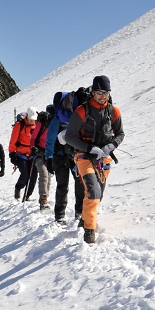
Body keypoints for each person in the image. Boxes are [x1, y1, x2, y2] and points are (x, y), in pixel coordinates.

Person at [61, 75, 124, 244]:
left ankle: (84, 217)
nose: (103, 95)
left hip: (104, 158)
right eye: (99, 92)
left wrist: (111, 146)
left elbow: (120, 133)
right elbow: (69, 137)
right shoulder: (82, 111)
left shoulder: (114, 111)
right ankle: (89, 230)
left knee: (98, 194)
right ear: (93, 92)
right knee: (94, 191)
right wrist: (90, 148)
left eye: (106, 92)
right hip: (84, 156)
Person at [46, 91, 85, 224]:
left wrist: (49, 158)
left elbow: (50, 139)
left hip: (59, 156)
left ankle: (60, 216)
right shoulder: (76, 115)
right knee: (79, 183)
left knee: (62, 186)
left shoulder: (57, 118)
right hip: (74, 155)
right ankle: (79, 213)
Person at [8, 107, 38, 201]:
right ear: (27, 116)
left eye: (33, 119)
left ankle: (27, 195)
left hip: (33, 154)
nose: (32, 121)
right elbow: (13, 141)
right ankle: (18, 188)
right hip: (21, 154)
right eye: (30, 119)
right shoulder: (19, 125)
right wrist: (12, 154)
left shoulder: (37, 125)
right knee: (25, 174)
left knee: (33, 175)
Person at [30, 108, 53, 209]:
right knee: (44, 174)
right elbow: (33, 138)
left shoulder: (55, 124)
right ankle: (43, 199)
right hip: (39, 152)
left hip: (49, 154)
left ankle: (44, 197)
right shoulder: (42, 123)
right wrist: (33, 148)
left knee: (48, 176)